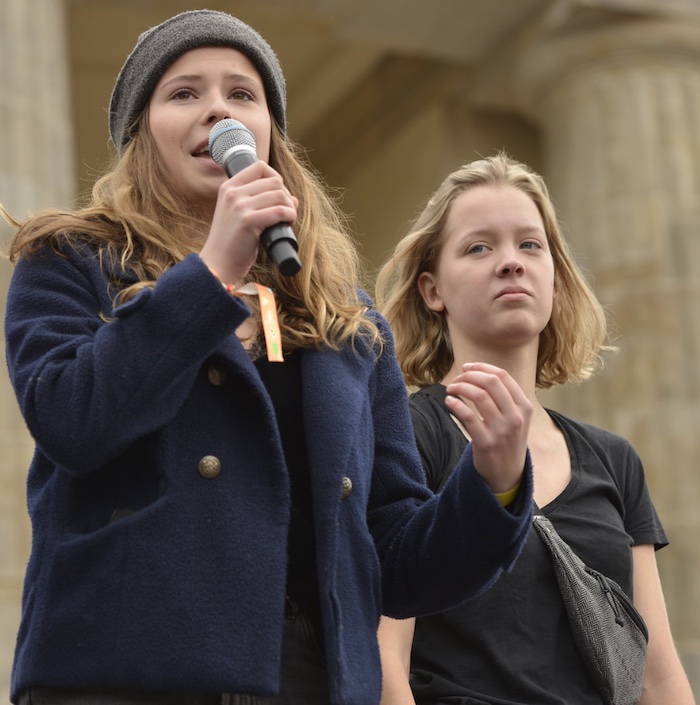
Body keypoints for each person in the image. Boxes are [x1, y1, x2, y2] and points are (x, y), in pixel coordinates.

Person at [1, 11, 537, 705]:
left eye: (242, 95)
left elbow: (395, 561)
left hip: (307, 682)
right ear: (142, 132)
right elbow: (72, 418)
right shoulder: (69, 262)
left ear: (270, 141)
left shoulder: (349, 322)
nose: (218, 108)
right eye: (185, 93)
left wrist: (493, 480)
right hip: (127, 674)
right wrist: (210, 275)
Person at [374, 152, 696, 705]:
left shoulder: (613, 460)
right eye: (479, 247)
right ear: (433, 291)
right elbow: (385, 656)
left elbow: (657, 676)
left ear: (553, 273)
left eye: (530, 245)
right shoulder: (404, 433)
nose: (511, 263)